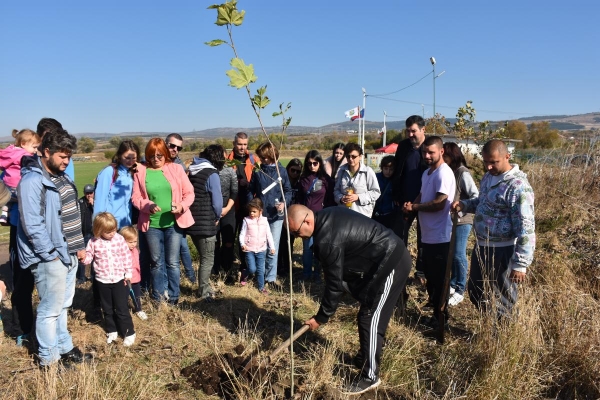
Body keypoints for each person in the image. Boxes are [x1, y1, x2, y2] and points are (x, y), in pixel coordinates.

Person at [288, 205, 411, 395]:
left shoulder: (327, 240)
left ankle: (370, 376)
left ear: (307, 221)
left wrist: (321, 317)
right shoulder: (327, 215)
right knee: (367, 314)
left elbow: (334, 284)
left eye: (296, 232)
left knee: (370, 318)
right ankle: (365, 357)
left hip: (391, 263)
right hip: (377, 263)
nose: (298, 237)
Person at [17, 128, 92, 368]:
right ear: (46, 151)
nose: (66, 161)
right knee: (50, 309)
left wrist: (78, 247)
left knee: (63, 305)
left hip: (67, 252)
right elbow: (33, 225)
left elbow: (71, 216)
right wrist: (50, 256)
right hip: (50, 256)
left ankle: (64, 347)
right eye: (62, 156)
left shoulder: (61, 176)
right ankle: (49, 361)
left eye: (69, 156)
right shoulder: (32, 180)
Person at [452, 139, 535, 320]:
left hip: (503, 249)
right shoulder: (488, 178)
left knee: (504, 297)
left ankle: (503, 336)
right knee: (475, 291)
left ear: (507, 156)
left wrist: (521, 264)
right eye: (486, 162)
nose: (489, 166)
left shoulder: (518, 186)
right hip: (482, 246)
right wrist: (465, 205)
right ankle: (490, 325)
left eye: (494, 162)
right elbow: (483, 203)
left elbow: (526, 226)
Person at [132, 138, 195, 305]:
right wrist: (147, 205)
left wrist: (181, 206)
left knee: (173, 262)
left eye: (160, 155)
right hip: (151, 224)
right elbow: (135, 197)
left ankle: (174, 297)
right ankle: (158, 298)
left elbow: (189, 193)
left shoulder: (176, 169)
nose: (156, 158)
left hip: (174, 224)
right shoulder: (141, 171)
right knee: (156, 262)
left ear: (165, 154)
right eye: (152, 155)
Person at [403, 136, 456, 328]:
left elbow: (439, 203)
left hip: (440, 236)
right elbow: (423, 194)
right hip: (427, 234)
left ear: (441, 152)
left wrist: (415, 207)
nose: (426, 155)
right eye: (424, 152)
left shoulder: (444, 173)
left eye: (431, 152)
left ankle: (442, 319)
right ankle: (435, 315)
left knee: (440, 280)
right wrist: (412, 204)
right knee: (431, 279)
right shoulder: (427, 173)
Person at [82, 213, 136, 346]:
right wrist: (83, 258)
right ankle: (112, 330)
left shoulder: (119, 240)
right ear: (99, 230)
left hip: (118, 279)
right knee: (107, 308)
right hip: (102, 280)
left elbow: (126, 256)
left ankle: (128, 332)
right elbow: (89, 256)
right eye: (108, 231)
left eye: (114, 230)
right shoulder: (93, 242)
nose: (112, 233)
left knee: (121, 307)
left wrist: (128, 273)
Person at [247, 142, 292, 288]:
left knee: (273, 247)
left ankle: (270, 278)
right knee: (260, 246)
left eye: (266, 157)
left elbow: (288, 191)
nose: (263, 160)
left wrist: (284, 203)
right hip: (261, 215)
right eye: (261, 157)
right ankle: (259, 275)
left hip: (276, 216)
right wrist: (253, 206)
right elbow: (250, 190)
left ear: (272, 156)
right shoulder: (258, 171)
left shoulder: (282, 172)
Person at [392, 115, 428, 283]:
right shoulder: (404, 146)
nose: (410, 135)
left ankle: (421, 273)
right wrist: (398, 195)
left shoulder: (430, 148)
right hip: (405, 202)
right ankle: (400, 271)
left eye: (413, 131)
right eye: (408, 131)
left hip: (425, 202)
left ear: (423, 130)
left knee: (424, 238)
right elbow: (397, 171)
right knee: (401, 237)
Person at [442, 142, 479, 307]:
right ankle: (453, 283)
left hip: (463, 220)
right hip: (451, 220)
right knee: (451, 254)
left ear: (453, 155)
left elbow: (475, 195)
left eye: (446, 155)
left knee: (458, 254)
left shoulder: (463, 173)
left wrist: (462, 207)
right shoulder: (450, 172)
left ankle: (460, 289)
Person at [188, 145, 224, 301]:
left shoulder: (193, 171)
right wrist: (217, 216)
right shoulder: (211, 174)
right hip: (206, 221)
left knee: (204, 257)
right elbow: (217, 201)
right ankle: (204, 292)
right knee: (207, 259)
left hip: (192, 221)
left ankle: (204, 287)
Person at [297, 150, 334, 282]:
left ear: (320, 163)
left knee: (318, 248)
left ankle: (317, 274)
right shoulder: (303, 180)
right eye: (309, 163)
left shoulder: (326, 179)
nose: (312, 166)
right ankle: (306, 274)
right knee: (307, 249)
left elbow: (330, 200)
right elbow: (299, 199)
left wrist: (328, 217)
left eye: (315, 163)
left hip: (321, 218)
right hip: (306, 218)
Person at [165, 133, 196, 284]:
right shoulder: (152, 162)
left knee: (182, 248)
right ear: (165, 144)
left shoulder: (179, 165)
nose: (175, 149)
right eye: (172, 145)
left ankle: (190, 278)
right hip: (160, 215)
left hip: (177, 215)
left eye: (178, 147)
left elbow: (187, 191)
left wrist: (181, 206)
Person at [93, 140, 140, 229]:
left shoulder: (132, 172)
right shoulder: (109, 172)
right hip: (109, 226)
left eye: (133, 158)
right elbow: (100, 200)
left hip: (127, 225)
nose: (130, 161)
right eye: (127, 158)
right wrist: (98, 227)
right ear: (119, 155)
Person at [226, 132, 256, 269]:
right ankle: (227, 267)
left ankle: (245, 267)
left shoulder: (253, 160)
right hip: (231, 205)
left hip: (248, 204)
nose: (242, 147)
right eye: (239, 144)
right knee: (229, 239)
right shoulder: (227, 160)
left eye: (245, 144)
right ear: (234, 144)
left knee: (247, 238)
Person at [0, 129, 41, 225]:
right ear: (23, 144)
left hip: (7, 183)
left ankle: (4, 214)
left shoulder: (10, 151)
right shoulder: (25, 155)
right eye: (34, 147)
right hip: (18, 184)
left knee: (8, 201)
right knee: (22, 203)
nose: (35, 150)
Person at [333, 143, 380, 217]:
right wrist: (341, 198)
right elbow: (336, 191)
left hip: (362, 216)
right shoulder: (341, 171)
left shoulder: (368, 172)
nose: (350, 159)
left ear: (360, 156)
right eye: (348, 156)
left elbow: (375, 192)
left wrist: (358, 197)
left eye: (353, 156)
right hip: (344, 215)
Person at [239, 198, 275, 294]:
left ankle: (261, 287)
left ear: (260, 211)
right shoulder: (246, 220)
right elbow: (242, 234)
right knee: (252, 269)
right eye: (250, 211)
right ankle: (244, 274)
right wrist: (243, 244)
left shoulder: (264, 221)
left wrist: (272, 247)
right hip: (249, 249)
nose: (252, 214)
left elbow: (269, 234)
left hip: (261, 249)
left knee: (260, 270)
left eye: (254, 212)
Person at [214, 149, 238, 275]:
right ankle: (216, 269)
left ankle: (227, 269)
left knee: (228, 242)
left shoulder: (230, 171)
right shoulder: (210, 171)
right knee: (215, 242)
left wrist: (227, 208)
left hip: (228, 210)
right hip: (213, 211)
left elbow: (234, 192)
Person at [277, 158, 302, 277]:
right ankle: (278, 267)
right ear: (288, 169)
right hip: (280, 215)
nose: (295, 173)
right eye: (293, 170)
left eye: (298, 171)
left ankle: (287, 267)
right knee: (279, 243)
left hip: (293, 217)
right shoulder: (281, 182)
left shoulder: (300, 184)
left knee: (289, 243)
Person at [119, 226, 147, 320]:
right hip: (126, 280)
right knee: (124, 297)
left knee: (137, 296)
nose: (133, 244)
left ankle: (139, 309)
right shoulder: (121, 252)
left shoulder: (135, 250)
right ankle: (124, 312)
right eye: (130, 242)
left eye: (135, 241)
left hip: (136, 278)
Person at [77, 184, 95, 285]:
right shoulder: (80, 202)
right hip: (83, 233)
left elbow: (100, 214)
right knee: (82, 256)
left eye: (91, 193)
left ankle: (93, 276)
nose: (89, 195)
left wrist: (93, 205)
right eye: (87, 193)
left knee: (94, 256)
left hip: (94, 233)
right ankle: (81, 277)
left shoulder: (97, 203)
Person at [372, 155, 396, 229]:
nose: (388, 172)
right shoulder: (375, 177)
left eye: (391, 169)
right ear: (381, 168)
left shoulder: (396, 180)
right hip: (376, 213)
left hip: (389, 214)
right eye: (386, 169)